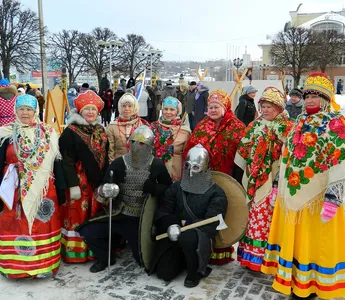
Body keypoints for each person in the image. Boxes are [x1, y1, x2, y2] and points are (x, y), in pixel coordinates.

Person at [261, 72, 345, 299]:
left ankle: (313, 284)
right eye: (306, 95)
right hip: (294, 194)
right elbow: (288, 154)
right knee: (297, 242)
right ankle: (296, 279)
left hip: (320, 198)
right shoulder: (299, 121)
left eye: (314, 96)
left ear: (325, 98)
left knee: (315, 243)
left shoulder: (336, 122)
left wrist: (333, 196)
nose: (308, 100)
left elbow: (341, 159)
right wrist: (278, 184)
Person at [0, 94, 66, 278]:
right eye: (21, 109)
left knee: (41, 225)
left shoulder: (48, 132)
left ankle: (43, 266)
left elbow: (57, 163)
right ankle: (13, 268)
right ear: (16, 110)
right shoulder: (5, 133)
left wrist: (61, 188)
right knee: (13, 226)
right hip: (11, 192)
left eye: (29, 109)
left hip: (43, 191)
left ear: (36, 111)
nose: (25, 113)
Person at [77, 126, 172, 273]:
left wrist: (155, 188)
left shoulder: (157, 165)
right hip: (119, 213)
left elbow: (169, 189)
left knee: (143, 261)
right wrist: (106, 190)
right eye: (133, 141)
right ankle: (105, 257)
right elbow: (101, 188)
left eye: (141, 143)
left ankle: (126, 243)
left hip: (141, 219)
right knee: (88, 231)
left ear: (149, 146)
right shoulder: (119, 163)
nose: (136, 146)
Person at [235, 87, 294, 272]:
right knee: (253, 215)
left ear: (278, 108)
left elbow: (290, 155)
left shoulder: (287, 128)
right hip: (253, 177)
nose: (265, 110)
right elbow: (244, 147)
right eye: (263, 106)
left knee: (267, 216)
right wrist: (249, 167)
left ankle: (267, 259)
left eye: (269, 106)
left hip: (274, 179)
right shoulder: (255, 125)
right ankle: (250, 257)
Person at [151, 144, 227, 287]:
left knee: (188, 237)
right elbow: (163, 211)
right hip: (174, 233)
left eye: (196, 167)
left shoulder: (216, 193)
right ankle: (182, 261)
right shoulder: (176, 188)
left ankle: (195, 272)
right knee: (164, 273)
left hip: (198, 238)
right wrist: (171, 224)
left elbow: (211, 225)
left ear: (205, 167)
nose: (190, 172)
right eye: (187, 166)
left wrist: (185, 224)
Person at [184, 90, 245, 264]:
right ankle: (203, 247)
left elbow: (242, 154)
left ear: (225, 107)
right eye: (210, 107)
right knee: (203, 212)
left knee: (223, 213)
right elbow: (191, 149)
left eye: (216, 106)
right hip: (203, 178)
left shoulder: (237, 126)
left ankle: (222, 250)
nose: (212, 110)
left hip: (227, 178)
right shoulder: (202, 125)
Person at [59, 90, 109, 263]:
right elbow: (66, 160)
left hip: (96, 181)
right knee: (77, 216)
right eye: (87, 109)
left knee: (94, 214)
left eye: (93, 110)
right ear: (80, 111)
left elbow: (106, 155)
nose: (90, 112)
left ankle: (93, 248)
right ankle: (76, 252)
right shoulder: (70, 132)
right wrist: (72, 184)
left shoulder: (101, 130)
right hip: (79, 183)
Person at [151, 97, 191, 181]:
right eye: (165, 109)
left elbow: (187, 156)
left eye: (172, 109)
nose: (168, 112)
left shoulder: (184, 131)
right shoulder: (153, 127)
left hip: (175, 172)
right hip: (154, 171)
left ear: (178, 111)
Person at [106, 93, 149, 163]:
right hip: (119, 164)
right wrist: (112, 166)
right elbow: (111, 150)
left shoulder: (142, 125)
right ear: (120, 107)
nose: (127, 109)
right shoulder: (112, 127)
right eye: (124, 106)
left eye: (130, 106)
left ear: (134, 107)